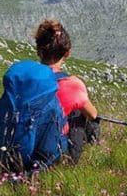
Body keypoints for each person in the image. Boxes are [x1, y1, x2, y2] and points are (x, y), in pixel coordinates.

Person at [33, 19, 100, 164]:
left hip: (18, 147)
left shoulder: (25, 79)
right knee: (79, 111)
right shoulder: (72, 84)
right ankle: (72, 160)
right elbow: (93, 114)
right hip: (51, 154)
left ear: (39, 50)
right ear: (67, 53)